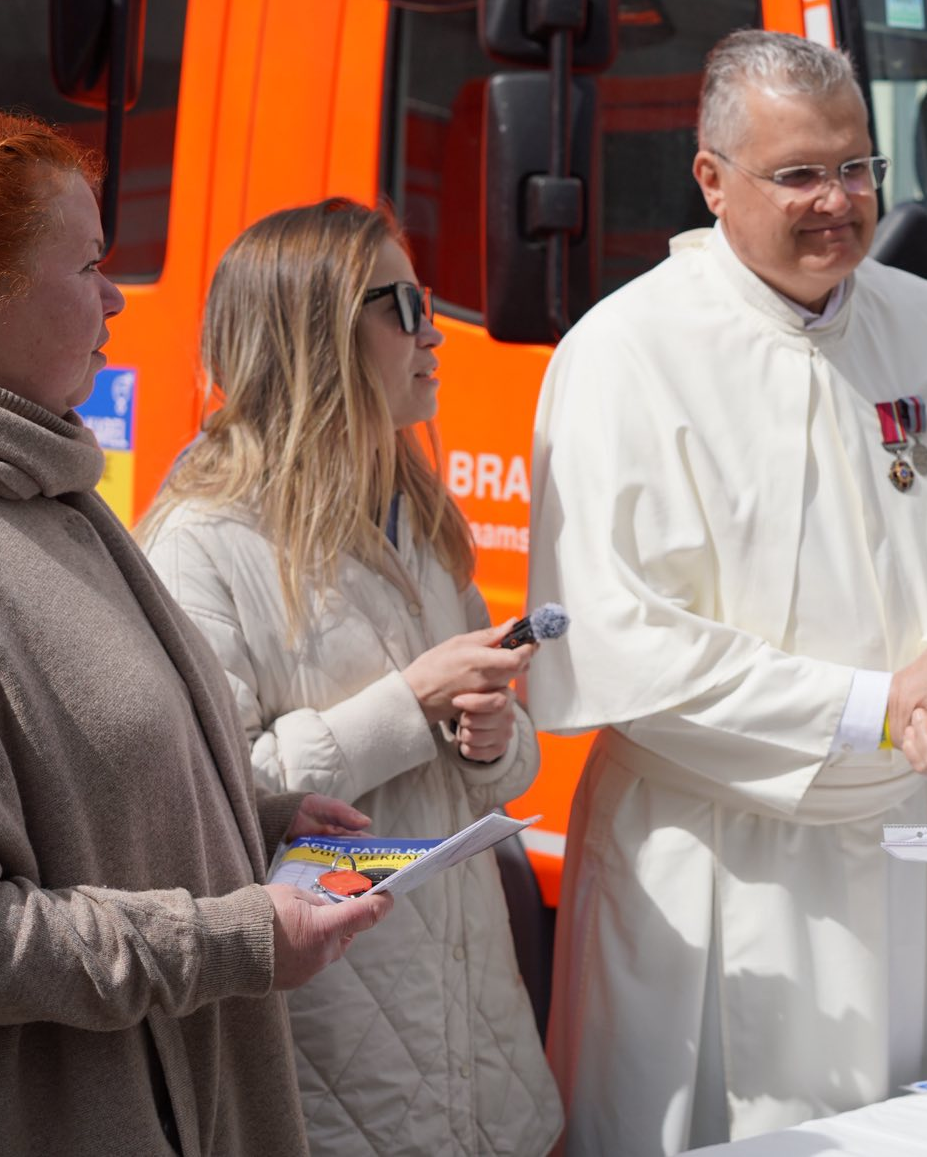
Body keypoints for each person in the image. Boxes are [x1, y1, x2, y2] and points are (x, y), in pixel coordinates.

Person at [526, 29, 927, 1153]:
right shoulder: (623, 353)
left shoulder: (926, 326)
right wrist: (875, 702)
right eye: (798, 175)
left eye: (856, 166)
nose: (838, 201)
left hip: (901, 843)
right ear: (711, 180)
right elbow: (617, 636)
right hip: (713, 855)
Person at [0, 112, 389, 1153]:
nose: (117, 298)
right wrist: (231, 939)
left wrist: (252, 815)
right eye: (91, 264)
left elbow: (73, 782)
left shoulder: (40, 489)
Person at [141, 199, 565, 1157]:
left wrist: (490, 738)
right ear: (313, 334)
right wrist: (411, 704)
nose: (434, 331)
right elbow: (203, 797)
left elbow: (500, 759)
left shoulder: (416, 506)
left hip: (474, 1049)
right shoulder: (201, 540)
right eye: (404, 304)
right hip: (328, 1056)